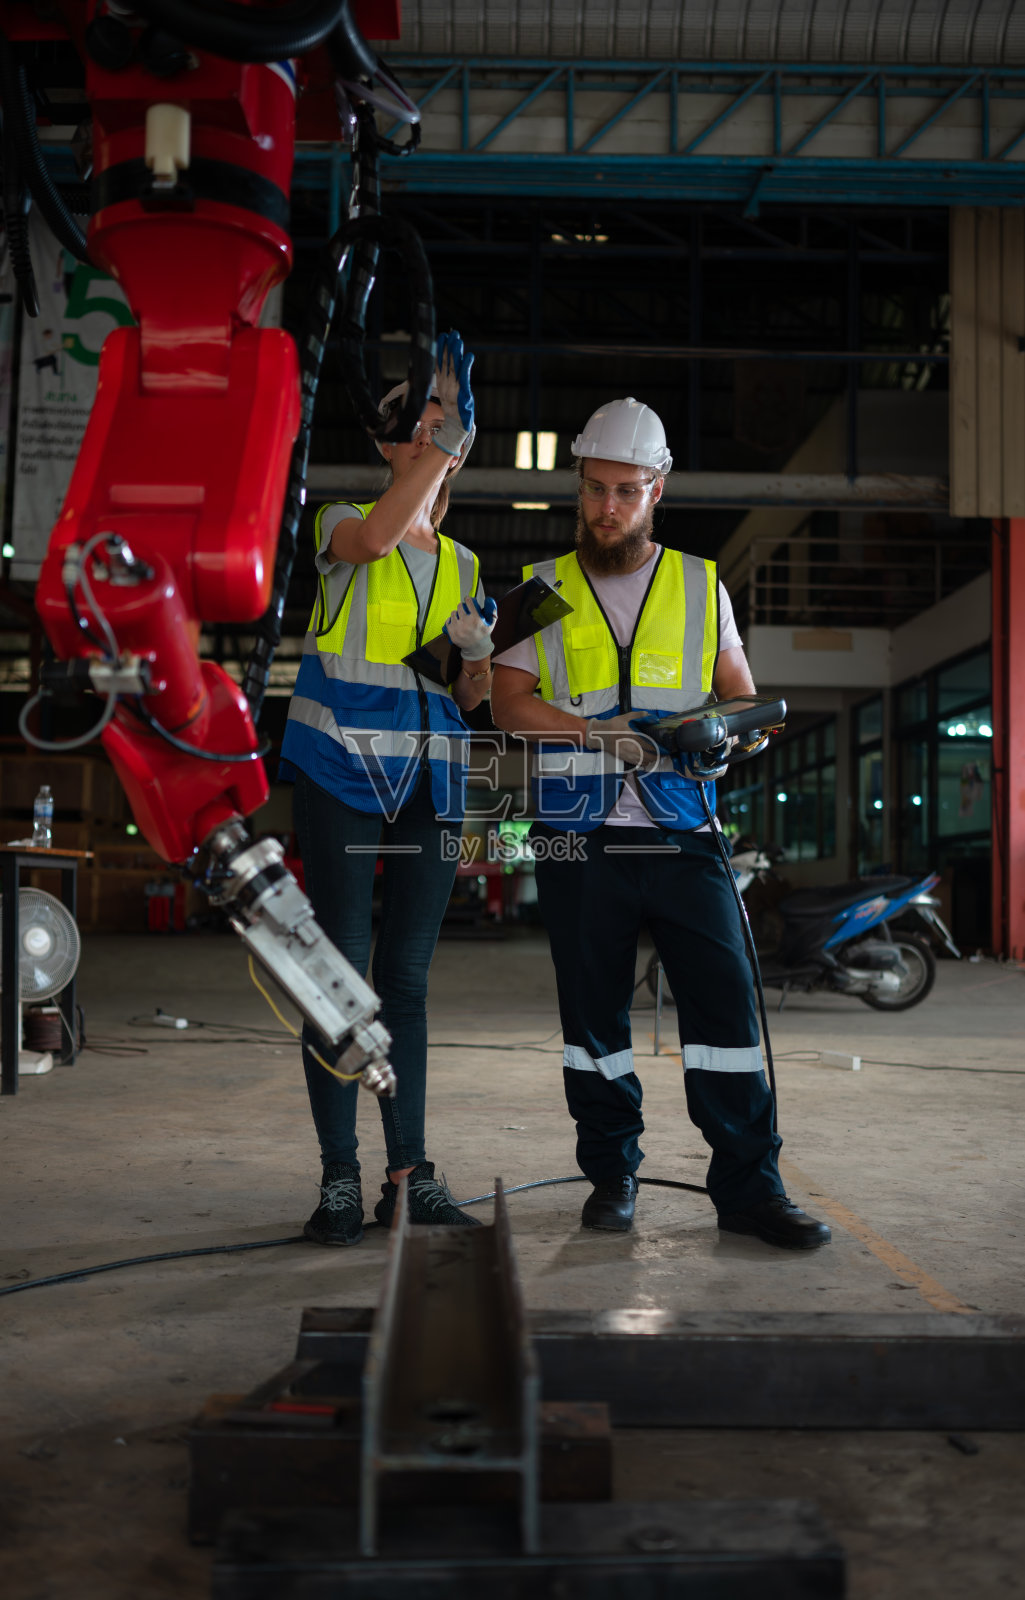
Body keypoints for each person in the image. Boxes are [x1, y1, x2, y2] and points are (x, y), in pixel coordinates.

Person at [491, 398, 830, 1250]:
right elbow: (507, 703)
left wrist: (724, 740)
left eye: (627, 491)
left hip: (683, 832)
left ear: (657, 489)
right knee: (593, 1019)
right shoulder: (539, 590)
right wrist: (593, 733)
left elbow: (742, 698)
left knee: (725, 1009)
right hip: (581, 836)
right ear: (579, 485)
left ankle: (750, 1189)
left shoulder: (697, 582)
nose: (609, 507)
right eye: (596, 489)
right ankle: (611, 1176)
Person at [279, 331, 497, 1245]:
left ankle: (408, 1175)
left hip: (431, 782)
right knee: (339, 980)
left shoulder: (465, 567)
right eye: (418, 420)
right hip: (339, 769)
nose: (434, 430)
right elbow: (377, 536)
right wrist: (438, 442)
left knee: (402, 980)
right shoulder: (339, 522)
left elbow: (468, 693)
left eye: (445, 418)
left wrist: (485, 658)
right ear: (387, 442)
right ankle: (338, 1179)